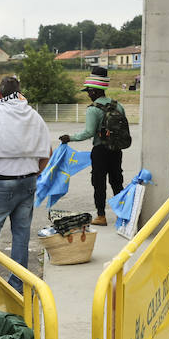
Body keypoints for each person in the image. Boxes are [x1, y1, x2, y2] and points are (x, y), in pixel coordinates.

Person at [0, 75, 51, 287]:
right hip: (27, 181)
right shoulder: (34, 116)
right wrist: (36, 173)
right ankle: (18, 285)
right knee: (21, 234)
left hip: (0, 182)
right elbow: (48, 151)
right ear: (19, 93)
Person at [59, 66, 123, 225]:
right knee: (117, 182)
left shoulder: (93, 109)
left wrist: (70, 138)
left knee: (99, 183)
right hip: (116, 150)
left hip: (100, 150)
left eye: (88, 91)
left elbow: (88, 132)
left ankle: (101, 216)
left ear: (95, 91)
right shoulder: (118, 105)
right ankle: (123, 215)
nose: (88, 94)